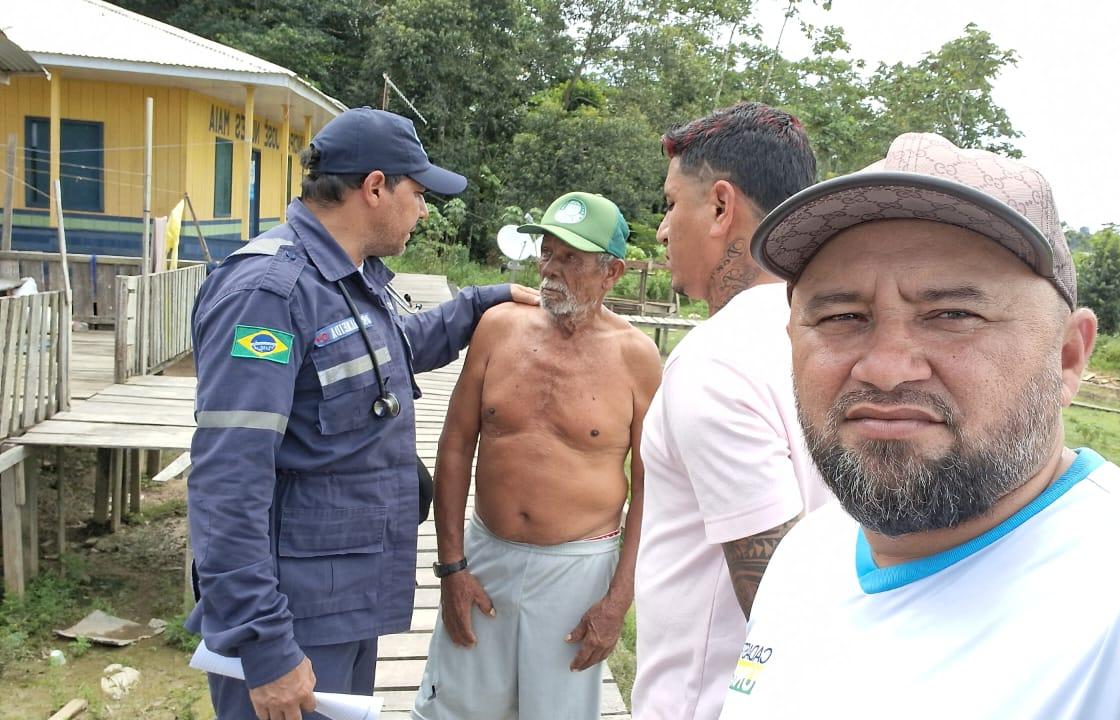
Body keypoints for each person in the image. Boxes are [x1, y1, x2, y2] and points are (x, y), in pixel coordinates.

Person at [720, 132, 1120, 718]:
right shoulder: (804, 556)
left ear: (1067, 357)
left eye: (953, 314)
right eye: (842, 317)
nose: (885, 369)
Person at [185, 107, 538, 720]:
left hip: (343, 596)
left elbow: (390, 351)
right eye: (418, 194)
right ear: (375, 187)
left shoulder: (349, 278)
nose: (423, 211)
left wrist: (483, 302)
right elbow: (227, 480)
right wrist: (262, 642)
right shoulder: (269, 292)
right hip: (291, 617)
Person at [412, 192, 662, 720]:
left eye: (571, 259)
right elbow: (455, 444)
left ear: (612, 272)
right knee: (453, 709)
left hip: (577, 571)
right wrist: (452, 567)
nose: (550, 269)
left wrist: (618, 599)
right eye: (547, 252)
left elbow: (650, 489)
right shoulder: (498, 327)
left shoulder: (637, 358)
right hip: (486, 555)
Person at [631, 101, 832, 720]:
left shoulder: (715, 363)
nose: (663, 230)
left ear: (721, 207)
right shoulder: (830, 339)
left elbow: (777, 608)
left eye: (671, 204)